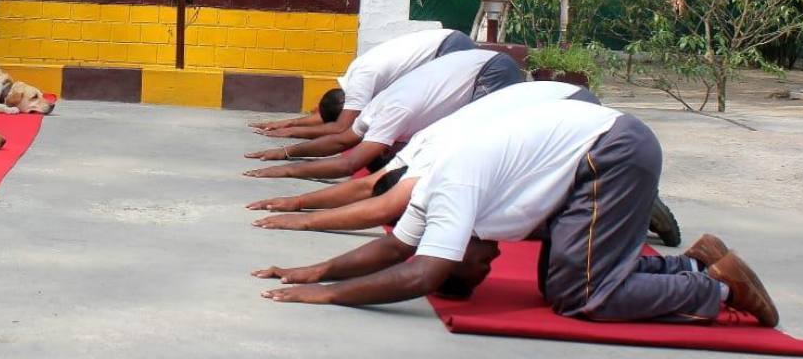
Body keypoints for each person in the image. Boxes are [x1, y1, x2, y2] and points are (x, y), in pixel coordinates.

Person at [253, 99, 780, 328]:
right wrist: (316, 268)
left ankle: (721, 290)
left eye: (473, 271)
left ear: (454, 248)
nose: (491, 265)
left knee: (585, 297)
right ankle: (693, 265)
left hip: (611, 151)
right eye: (484, 274)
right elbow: (394, 246)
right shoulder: (435, 193)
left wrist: (325, 292)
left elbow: (420, 271)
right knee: (562, 284)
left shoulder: (452, 187)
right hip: (602, 153)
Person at [247, 80, 598, 232]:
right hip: (549, 98)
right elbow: (367, 187)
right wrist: (295, 198)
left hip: (568, 107)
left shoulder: (434, 160)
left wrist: (300, 211)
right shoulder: (415, 150)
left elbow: (362, 182)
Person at [244, 49, 521, 180]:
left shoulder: (389, 113)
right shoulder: (374, 111)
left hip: (487, 69)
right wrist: (286, 152)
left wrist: (288, 168)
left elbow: (348, 164)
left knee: (475, 146)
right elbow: (342, 141)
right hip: (479, 65)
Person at [249, 29, 475, 139]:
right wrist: (286, 123)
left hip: (448, 48)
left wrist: (290, 134)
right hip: (447, 43)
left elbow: (340, 127)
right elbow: (332, 117)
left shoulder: (361, 82)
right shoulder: (352, 82)